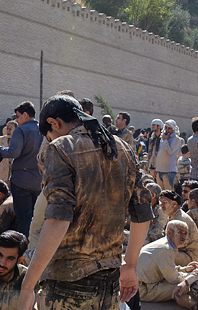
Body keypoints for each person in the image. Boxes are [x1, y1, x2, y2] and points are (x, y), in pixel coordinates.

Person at [18, 95, 153, 309]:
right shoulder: (121, 147)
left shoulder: (61, 148)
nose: (50, 141)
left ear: (54, 123)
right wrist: (130, 265)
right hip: (110, 281)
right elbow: (143, 211)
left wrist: (28, 285)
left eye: (49, 136)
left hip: (68, 283)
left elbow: (58, 219)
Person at [0, 101, 42, 238]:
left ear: (25, 115)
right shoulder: (42, 130)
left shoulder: (21, 130)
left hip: (22, 181)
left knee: (24, 219)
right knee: (35, 218)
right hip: (38, 181)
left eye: (18, 116)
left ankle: (24, 251)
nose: (16, 120)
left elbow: (14, 152)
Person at [137, 220, 198, 302]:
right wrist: (191, 275)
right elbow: (173, 278)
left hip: (142, 286)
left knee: (185, 283)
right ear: (169, 233)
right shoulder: (166, 249)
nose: (183, 236)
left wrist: (185, 269)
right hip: (146, 290)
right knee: (187, 285)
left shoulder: (165, 244)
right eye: (180, 232)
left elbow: (168, 268)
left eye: (185, 233)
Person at [158, 190, 198, 267]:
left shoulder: (180, 219)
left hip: (190, 257)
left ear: (174, 204)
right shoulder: (173, 216)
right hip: (181, 252)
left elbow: (179, 244)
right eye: (161, 202)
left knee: (159, 252)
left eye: (165, 202)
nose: (161, 205)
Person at [154, 119, 182, 191]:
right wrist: (156, 167)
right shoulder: (163, 138)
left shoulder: (176, 139)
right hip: (160, 170)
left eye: (169, 128)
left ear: (173, 129)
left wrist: (165, 141)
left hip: (169, 171)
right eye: (166, 127)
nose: (167, 130)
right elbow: (160, 153)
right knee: (161, 194)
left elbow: (170, 151)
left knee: (168, 194)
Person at [0, 120, 17, 185]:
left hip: (15, 176)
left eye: (11, 129)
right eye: (7, 128)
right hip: (2, 173)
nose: (8, 131)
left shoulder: (20, 141)